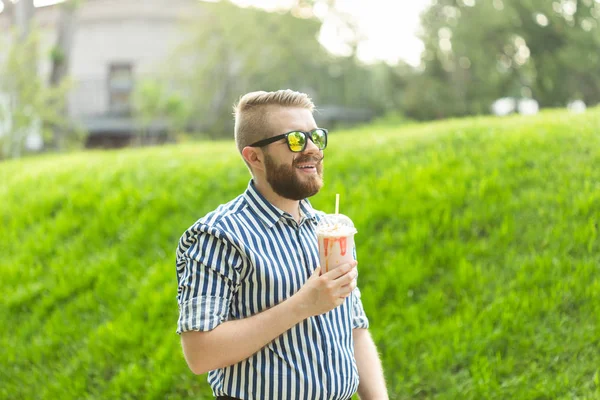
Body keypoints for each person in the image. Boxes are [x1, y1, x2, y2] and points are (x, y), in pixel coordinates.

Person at [175, 89, 388, 400]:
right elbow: (200, 353)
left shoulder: (332, 229)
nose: (313, 149)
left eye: (315, 136)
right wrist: (303, 304)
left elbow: (354, 329)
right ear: (255, 157)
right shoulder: (217, 236)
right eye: (295, 140)